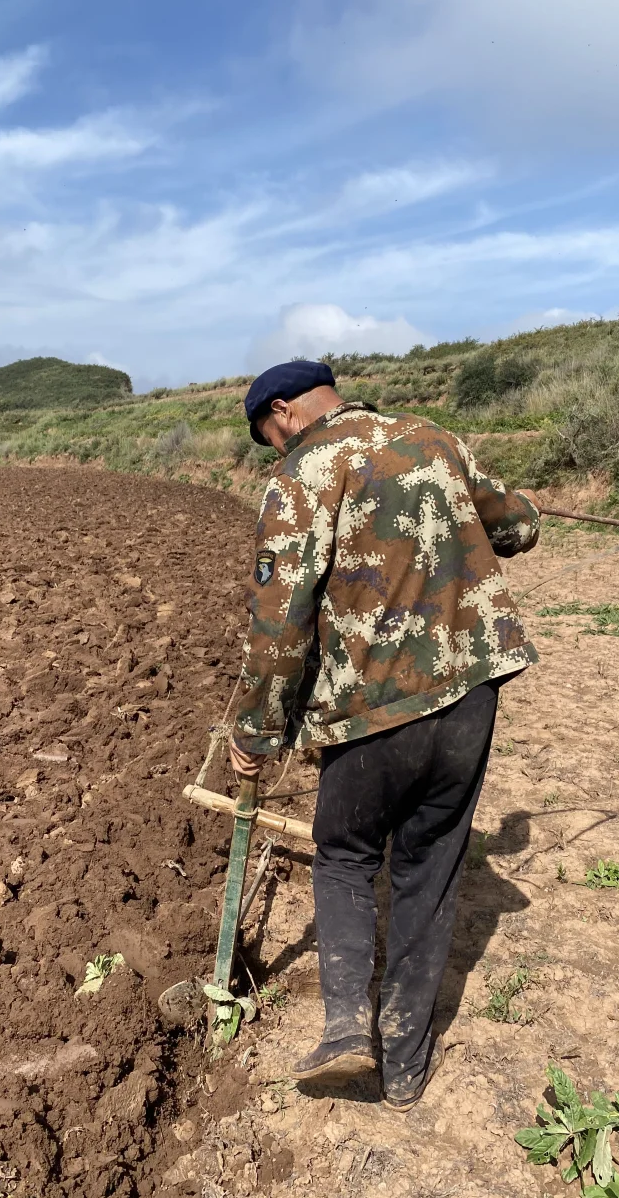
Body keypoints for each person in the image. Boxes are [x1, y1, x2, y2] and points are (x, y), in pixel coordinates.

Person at [229, 359, 540, 1111]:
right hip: (470, 694)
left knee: (342, 855)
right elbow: (518, 525)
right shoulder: (433, 438)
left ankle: (345, 1032)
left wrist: (256, 732)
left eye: (270, 435)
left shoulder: (302, 476)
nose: (275, 450)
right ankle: (405, 1064)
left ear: (283, 412)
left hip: (374, 710)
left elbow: (279, 623)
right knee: (428, 870)